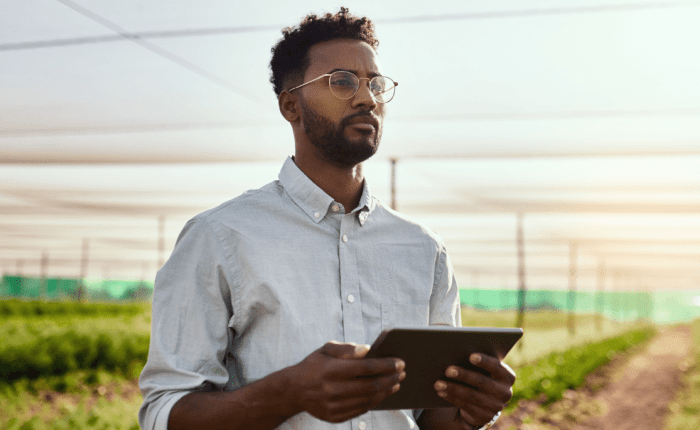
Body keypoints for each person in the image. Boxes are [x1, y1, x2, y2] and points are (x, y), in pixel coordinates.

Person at [138, 7, 515, 430]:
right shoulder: (220, 237)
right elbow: (164, 414)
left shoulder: (424, 249)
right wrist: (289, 392)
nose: (366, 98)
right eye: (342, 81)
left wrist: (469, 411)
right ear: (290, 105)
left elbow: (430, 418)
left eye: (375, 83)